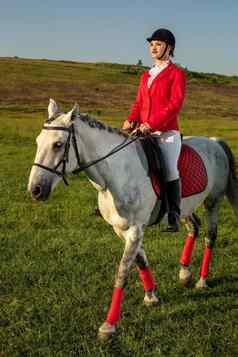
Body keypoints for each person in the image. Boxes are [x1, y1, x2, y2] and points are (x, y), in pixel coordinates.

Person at [122, 28, 186, 232]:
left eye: (158, 44)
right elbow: (139, 102)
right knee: (124, 160)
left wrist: (152, 124)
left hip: (166, 133)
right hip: (142, 131)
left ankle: (174, 215)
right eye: (151, 44)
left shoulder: (176, 73)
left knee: (169, 168)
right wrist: (131, 119)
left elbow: (175, 104)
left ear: (169, 48)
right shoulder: (145, 75)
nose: (153, 47)